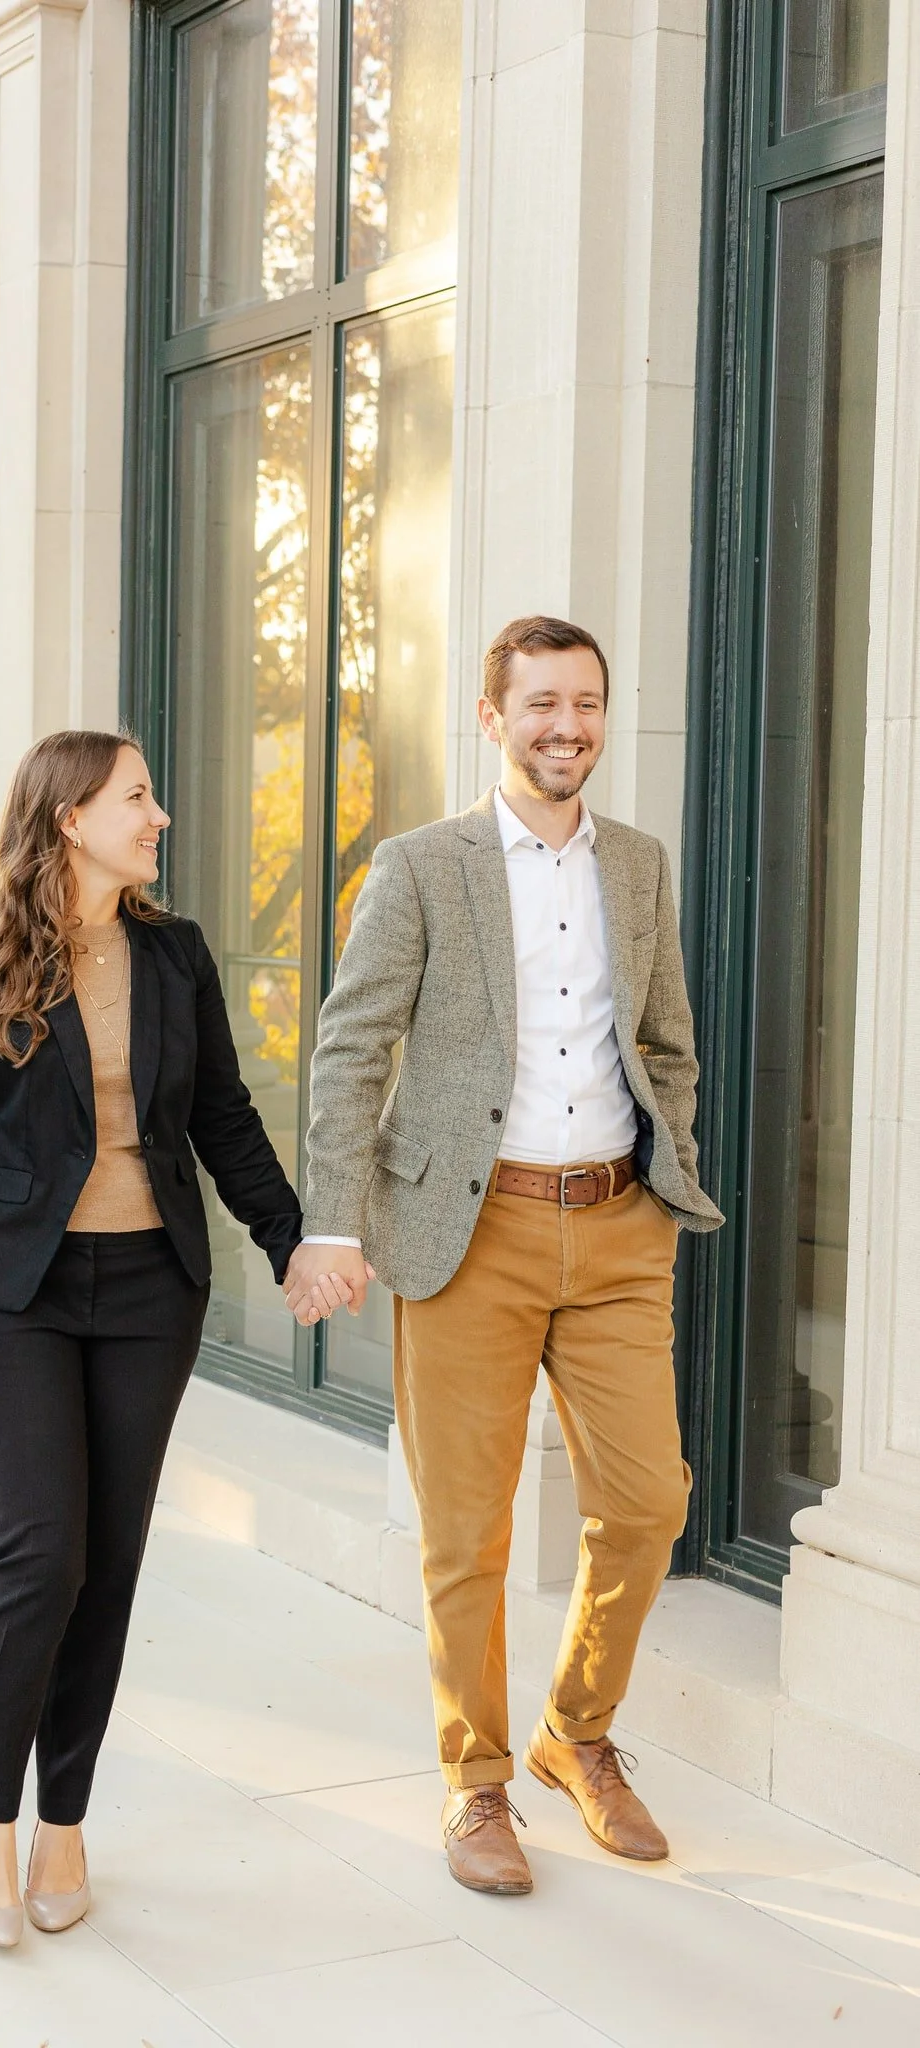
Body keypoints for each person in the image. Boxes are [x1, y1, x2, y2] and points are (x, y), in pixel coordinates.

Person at [283, 616, 724, 1896]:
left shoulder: (636, 866)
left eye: (586, 702)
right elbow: (352, 1044)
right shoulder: (422, 866)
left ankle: (576, 1733)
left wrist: (667, 1157)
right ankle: (475, 1782)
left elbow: (667, 1038)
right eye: (541, 703)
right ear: (495, 717)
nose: (567, 725)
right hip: (468, 1234)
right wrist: (335, 1219)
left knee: (648, 1500)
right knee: (467, 1532)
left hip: (621, 1225)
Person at [0, 730, 311, 1948]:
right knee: (37, 1552)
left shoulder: (172, 955)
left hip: (148, 1291)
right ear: (69, 816)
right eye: (136, 796)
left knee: (107, 1561)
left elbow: (222, 1111)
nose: (159, 814)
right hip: (15, 1293)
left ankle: (64, 1815)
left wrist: (288, 1237)